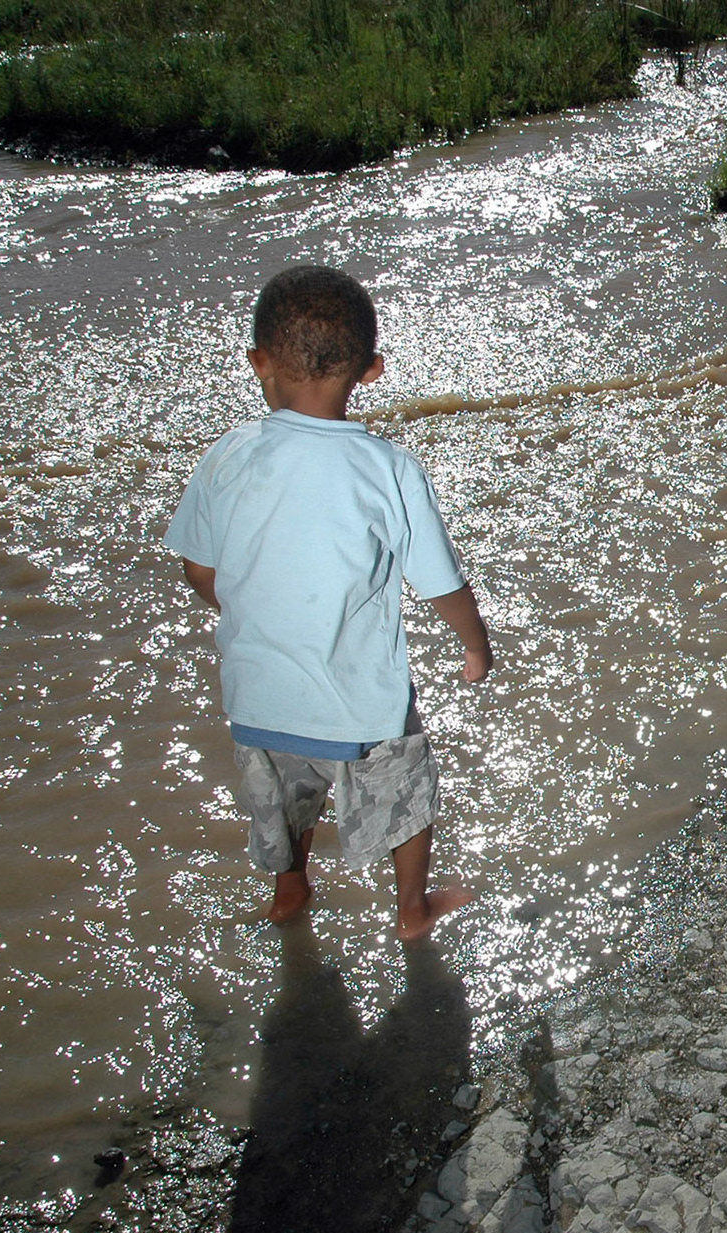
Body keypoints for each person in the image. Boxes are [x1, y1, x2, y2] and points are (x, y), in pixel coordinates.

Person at [167, 265, 493, 941]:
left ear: (258, 361)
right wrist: (475, 643)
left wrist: (249, 611)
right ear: (371, 371)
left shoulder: (227, 455)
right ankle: (411, 909)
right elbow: (439, 584)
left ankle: (292, 892)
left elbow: (200, 568)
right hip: (361, 707)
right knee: (407, 796)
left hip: (259, 698)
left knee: (286, 803)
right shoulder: (388, 468)